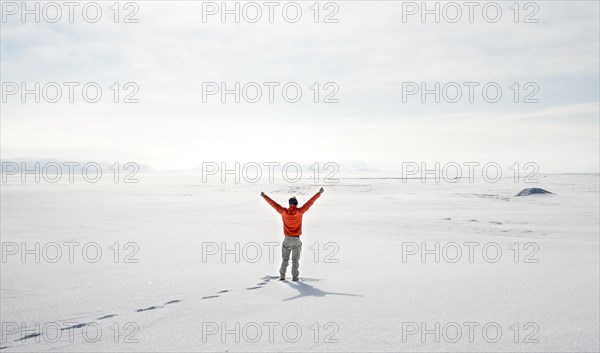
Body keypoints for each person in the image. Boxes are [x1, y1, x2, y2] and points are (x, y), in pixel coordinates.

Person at [261, 187, 324, 281]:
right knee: (295, 261)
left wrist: (264, 196)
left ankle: (282, 277)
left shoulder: (284, 212)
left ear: (289, 204)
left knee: (285, 259)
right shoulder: (300, 212)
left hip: (286, 239)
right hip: (296, 240)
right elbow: (309, 203)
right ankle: (295, 278)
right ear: (296, 204)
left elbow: (273, 204)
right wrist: (319, 193)